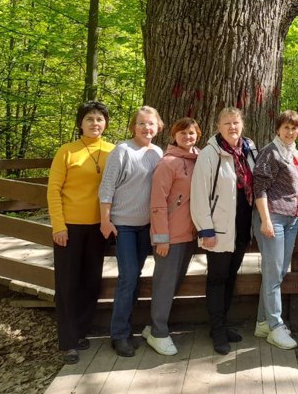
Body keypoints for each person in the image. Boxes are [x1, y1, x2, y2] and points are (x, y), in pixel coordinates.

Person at [47, 101, 115, 364]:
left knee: (90, 282)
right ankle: (68, 340)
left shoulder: (113, 151)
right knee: (68, 284)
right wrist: (58, 226)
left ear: (106, 123)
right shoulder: (67, 152)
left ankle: (82, 330)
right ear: (80, 123)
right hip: (70, 228)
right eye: (89, 119)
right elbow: (53, 190)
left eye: (99, 118)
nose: (95, 123)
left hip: (99, 228)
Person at [190, 107, 257, 355]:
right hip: (218, 229)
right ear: (218, 126)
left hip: (241, 226)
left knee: (230, 277)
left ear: (242, 125)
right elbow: (198, 194)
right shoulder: (211, 153)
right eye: (227, 123)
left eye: (236, 122)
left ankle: (223, 323)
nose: (232, 127)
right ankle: (217, 329)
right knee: (217, 278)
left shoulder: (249, 150)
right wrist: (205, 229)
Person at [99, 106, 164, 357]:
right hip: (124, 225)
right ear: (133, 127)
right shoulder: (122, 150)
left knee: (136, 279)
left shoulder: (158, 153)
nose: (146, 128)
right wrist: (105, 220)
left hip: (146, 227)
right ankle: (119, 334)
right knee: (127, 279)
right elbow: (106, 188)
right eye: (141, 124)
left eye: (151, 124)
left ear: (158, 127)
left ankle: (129, 328)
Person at [252, 110, 298, 350]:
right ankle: (276, 326)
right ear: (277, 129)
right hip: (273, 217)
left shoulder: (294, 153)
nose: (290, 131)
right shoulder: (271, 152)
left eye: (294, 128)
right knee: (274, 274)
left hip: (292, 219)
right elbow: (260, 188)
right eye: (286, 127)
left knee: (277, 273)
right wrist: (265, 220)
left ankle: (263, 322)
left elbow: (297, 181)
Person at [144, 117, 201, 356]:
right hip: (170, 236)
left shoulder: (199, 159)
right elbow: (157, 202)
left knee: (175, 281)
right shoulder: (168, 163)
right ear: (174, 136)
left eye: (191, 133)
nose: (188, 137)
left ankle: (154, 327)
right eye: (183, 133)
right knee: (165, 284)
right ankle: (158, 332)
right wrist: (161, 238)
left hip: (189, 234)